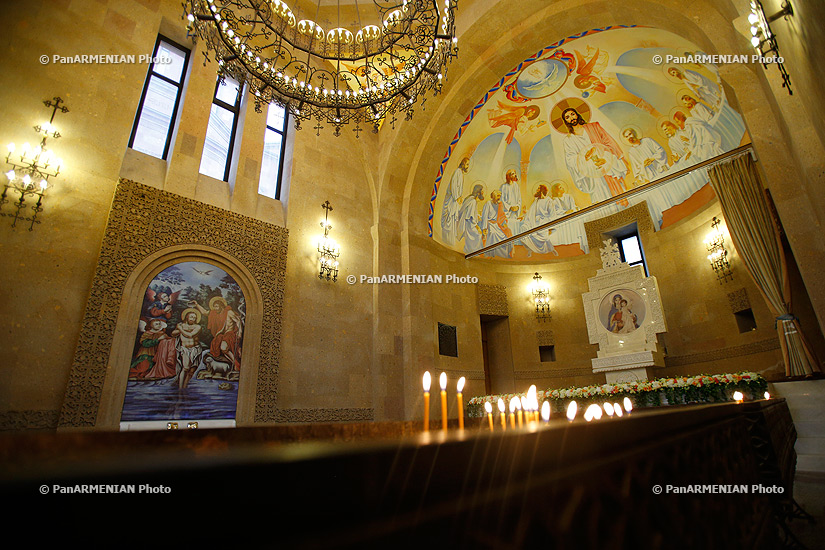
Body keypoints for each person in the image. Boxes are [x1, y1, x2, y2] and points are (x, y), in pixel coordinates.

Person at [561, 107, 629, 211]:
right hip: (592, 174)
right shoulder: (569, 140)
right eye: (567, 117)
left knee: (618, 191)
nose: (571, 118)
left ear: (577, 114)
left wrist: (600, 152)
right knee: (602, 196)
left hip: (605, 164)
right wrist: (585, 156)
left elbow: (608, 142)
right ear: (566, 121)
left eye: (572, 114)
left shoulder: (594, 127)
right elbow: (570, 159)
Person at [622, 128, 675, 228]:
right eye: (627, 137)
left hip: (660, 169)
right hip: (650, 175)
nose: (630, 137)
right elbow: (636, 169)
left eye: (630, 134)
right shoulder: (632, 152)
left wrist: (652, 158)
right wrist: (643, 165)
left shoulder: (647, 141)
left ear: (634, 134)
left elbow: (660, 150)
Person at [189, 296, 243, 371]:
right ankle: (233, 363)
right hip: (222, 335)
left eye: (217, 306)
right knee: (215, 343)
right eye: (214, 307)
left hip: (230, 333)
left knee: (223, 348)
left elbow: (238, 321)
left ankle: (236, 364)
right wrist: (197, 304)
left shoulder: (229, 312)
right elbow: (205, 312)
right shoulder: (214, 313)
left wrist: (239, 333)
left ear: (221, 306)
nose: (215, 308)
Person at [521, 184, 558, 256]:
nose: (536, 190)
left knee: (542, 232)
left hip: (544, 221)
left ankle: (552, 249)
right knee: (524, 228)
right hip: (534, 221)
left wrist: (549, 226)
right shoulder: (536, 200)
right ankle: (530, 249)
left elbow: (553, 215)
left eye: (538, 189)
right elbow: (532, 212)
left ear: (542, 191)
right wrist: (525, 213)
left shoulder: (549, 201)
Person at [440, 157, 469, 245]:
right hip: (452, 200)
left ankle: (451, 241)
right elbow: (453, 186)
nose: (468, 166)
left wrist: (460, 197)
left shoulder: (461, 173)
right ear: (463, 164)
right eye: (467, 164)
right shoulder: (457, 172)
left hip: (455, 201)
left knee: (453, 221)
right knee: (450, 219)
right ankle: (447, 241)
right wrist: (457, 197)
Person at [172, 308, 203, 389]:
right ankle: (180, 387)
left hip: (195, 349)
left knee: (192, 371)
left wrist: (180, 329)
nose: (193, 319)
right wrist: (180, 329)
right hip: (185, 349)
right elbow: (173, 334)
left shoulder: (197, 326)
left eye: (195, 318)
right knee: (185, 368)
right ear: (187, 317)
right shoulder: (181, 325)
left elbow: (190, 335)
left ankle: (184, 387)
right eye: (191, 317)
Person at [481, 190, 513, 258]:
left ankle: (504, 254)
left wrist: (504, 222)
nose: (499, 198)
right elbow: (484, 216)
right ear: (493, 196)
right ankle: (492, 253)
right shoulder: (488, 204)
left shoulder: (499, 204)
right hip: (489, 224)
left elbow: (502, 215)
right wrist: (484, 228)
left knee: (504, 237)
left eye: (500, 196)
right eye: (498, 196)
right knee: (493, 234)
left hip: (496, 225)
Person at [457, 184, 484, 254]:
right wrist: (477, 227)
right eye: (482, 192)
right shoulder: (473, 201)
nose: (483, 193)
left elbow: (470, 212)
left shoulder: (470, 199)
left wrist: (477, 216)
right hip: (468, 224)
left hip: (467, 221)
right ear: (478, 193)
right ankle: (474, 250)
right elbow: (471, 217)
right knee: (478, 234)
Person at [499, 169, 523, 238]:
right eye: (512, 174)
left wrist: (518, 207)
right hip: (507, 212)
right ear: (508, 176)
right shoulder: (503, 187)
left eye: (514, 173)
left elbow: (519, 199)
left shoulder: (516, 186)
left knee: (515, 226)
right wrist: (509, 207)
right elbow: (502, 200)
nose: (514, 175)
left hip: (514, 212)